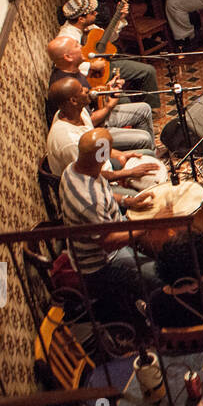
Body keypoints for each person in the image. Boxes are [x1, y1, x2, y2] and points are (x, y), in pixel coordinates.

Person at [58, 128, 163, 325]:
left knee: (159, 245)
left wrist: (127, 201)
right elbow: (110, 243)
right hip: (102, 265)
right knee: (160, 275)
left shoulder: (73, 170)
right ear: (101, 156)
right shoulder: (88, 200)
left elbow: (102, 188)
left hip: (111, 231)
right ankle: (155, 320)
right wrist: (150, 225)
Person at [45, 77, 163, 183]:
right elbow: (91, 175)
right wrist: (129, 173)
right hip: (92, 187)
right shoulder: (70, 142)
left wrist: (120, 155)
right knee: (148, 194)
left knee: (149, 155)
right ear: (73, 101)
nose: (87, 89)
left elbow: (95, 150)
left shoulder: (77, 112)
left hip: (103, 165)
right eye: (81, 90)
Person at [54, 0, 160, 113]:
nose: (96, 13)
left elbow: (108, 40)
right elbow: (63, 67)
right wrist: (91, 66)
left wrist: (119, 19)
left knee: (148, 71)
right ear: (81, 19)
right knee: (124, 101)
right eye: (92, 12)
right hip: (90, 79)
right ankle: (135, 117)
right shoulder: (66, 38)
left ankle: (152, 110)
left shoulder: (89, 26)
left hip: (106, 65)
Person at [45, 35, 157, 142]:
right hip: (90, 133)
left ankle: (150, 155)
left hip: (97, 116)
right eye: (76, 45)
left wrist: (107, 87)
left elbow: (88, 95)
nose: (81, 47)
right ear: (68, 57)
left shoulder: (73, 70)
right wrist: (109, 106)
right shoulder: (65, 84)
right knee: (143, 137)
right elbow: (89, 121)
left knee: (144, 109)